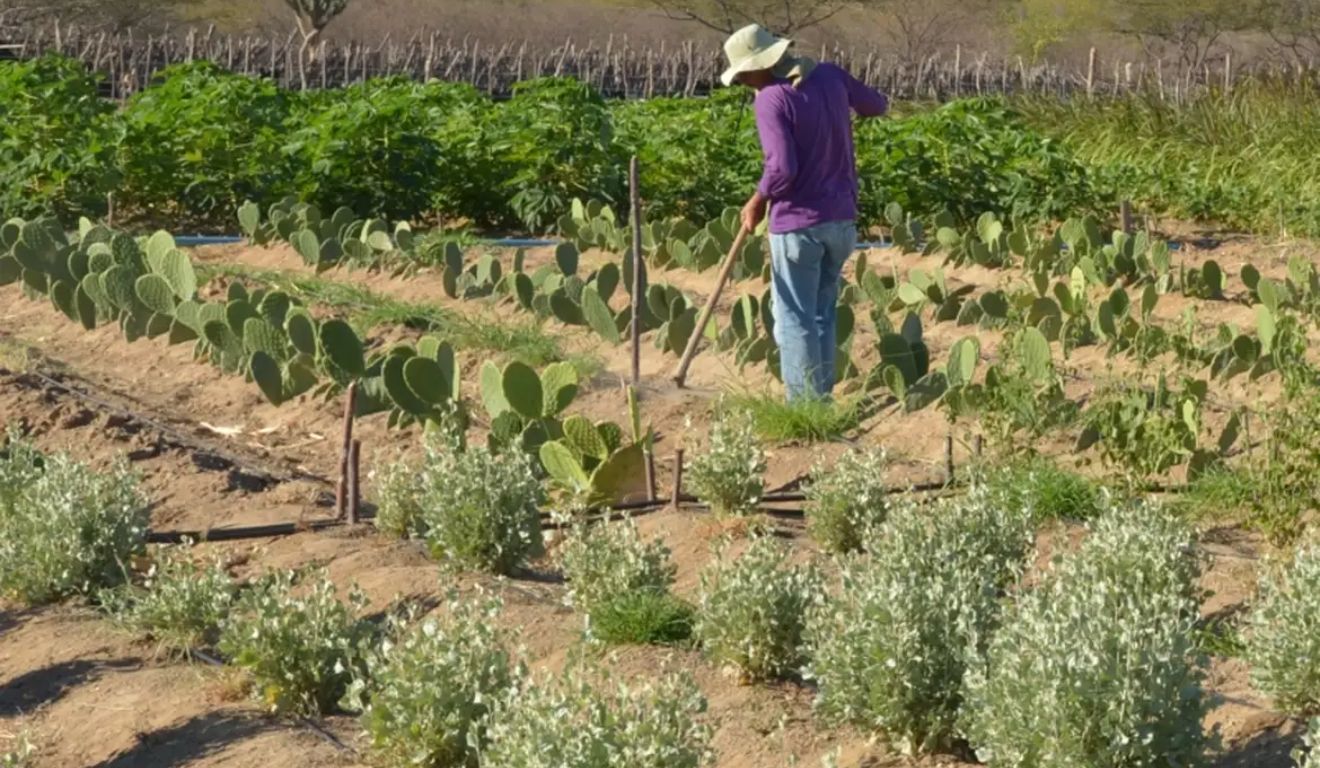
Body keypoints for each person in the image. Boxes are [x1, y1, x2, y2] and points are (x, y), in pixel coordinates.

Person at [720, 24, 888, 401]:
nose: (745, 82)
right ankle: (821, 401)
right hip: (842, 221)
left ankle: (803, 408)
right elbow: (876, 105)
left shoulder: (770, 98)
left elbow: (782, 169)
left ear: (763, 65)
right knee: (823, 313)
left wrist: (757, 199)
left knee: (795, 319)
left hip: (797, 224)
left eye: (745, 73)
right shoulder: (829, 75)